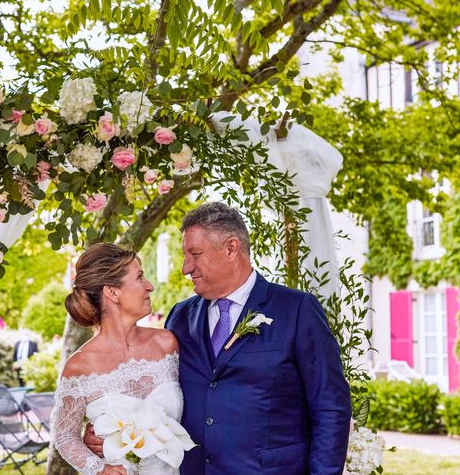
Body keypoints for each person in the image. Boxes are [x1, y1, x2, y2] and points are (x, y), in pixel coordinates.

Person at [87, 202, 352, 474]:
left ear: (231, 248)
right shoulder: (180, 316)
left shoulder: (296, 310)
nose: (185, 268)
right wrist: (110, 426)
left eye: (195, 254)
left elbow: (331, 408)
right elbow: (153, 390)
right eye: (184, 255)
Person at [51, 243, 181, 475]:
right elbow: (64, 436)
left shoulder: (167, 344)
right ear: (112, 292)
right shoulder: (80, 366)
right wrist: (100, 469)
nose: (149, 286)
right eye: (140, 278)